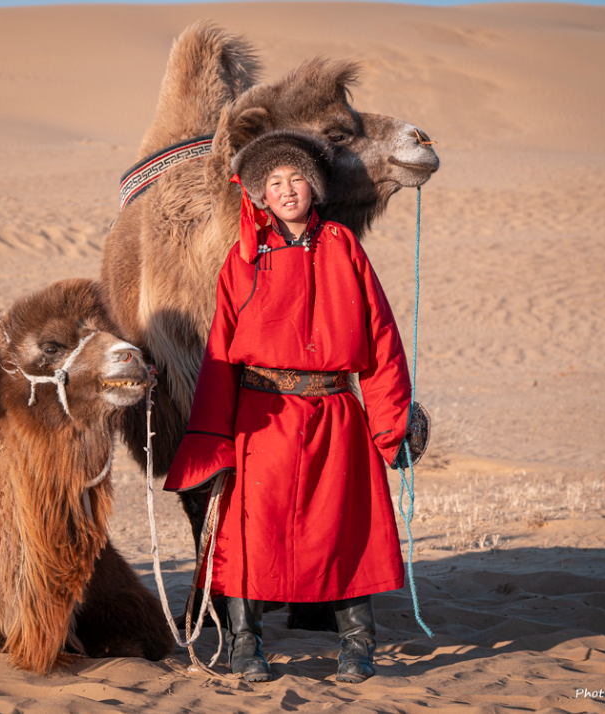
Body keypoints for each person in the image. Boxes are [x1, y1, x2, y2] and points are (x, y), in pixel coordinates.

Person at [164, 129, 423, 683]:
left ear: (314, 186)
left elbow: (380, 340)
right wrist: (213, 441)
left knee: (343, 530)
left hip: (334, 413)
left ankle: (357, 645)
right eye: (274, 182)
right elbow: (219, 356)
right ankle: (244, 644)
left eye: (297, 179)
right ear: (259, 193)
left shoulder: (344, 247)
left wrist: (392, 423)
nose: (287, 190)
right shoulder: (242, 260)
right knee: (252, 533)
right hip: (263, 419)